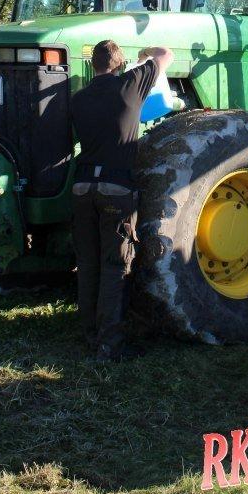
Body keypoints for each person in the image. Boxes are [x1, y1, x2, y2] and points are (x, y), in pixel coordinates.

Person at [70, 38, 174, 362]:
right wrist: (144, 56)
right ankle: (109, 346)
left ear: (92, 65)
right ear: (119, 64)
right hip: (116, 188)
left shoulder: (78, 99)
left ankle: (89, 334)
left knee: (88, 264)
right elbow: (164, 54)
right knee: (115, 266)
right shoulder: (130, 84)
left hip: (83, 187)